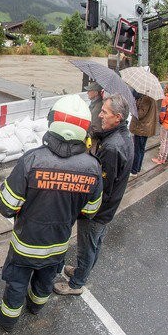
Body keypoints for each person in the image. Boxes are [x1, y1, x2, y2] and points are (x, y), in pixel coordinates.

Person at [0, 95, 103, 332]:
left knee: (17, 282)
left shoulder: (32, 160)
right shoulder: (92, 167)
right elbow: (90, 211)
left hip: (26, 244)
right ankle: (36, 307)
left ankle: (7, 319)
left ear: (53, 121)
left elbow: (6, 206)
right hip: (58, 244)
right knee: (45, 281)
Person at [54, 94, 134, 296]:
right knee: (96, 243)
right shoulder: (124, 136)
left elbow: (101, 185)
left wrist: (85, 208)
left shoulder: (112, 147)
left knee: (87, 246)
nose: (100, 115)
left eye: (104, 112)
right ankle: (83, 270)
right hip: (110, 206)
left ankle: (76, 284)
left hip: (98, 210)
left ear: (117, 117)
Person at [129, 93, 158, 175]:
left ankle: (134, 170)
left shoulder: (146, 99)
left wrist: (134, 106)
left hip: (141, 128)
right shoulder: (151, 98)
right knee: (141, 149)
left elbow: (140, 114)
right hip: (145, 128)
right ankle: (138, 167)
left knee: (137, 149)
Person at [152, 83, 168, 164]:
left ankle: (160, 158)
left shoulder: (165, 99)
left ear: (166, 90)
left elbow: (163, 112)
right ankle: (164, 158)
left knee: (163, 141)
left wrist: (161, 120)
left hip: (165, 123)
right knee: (167, 141)